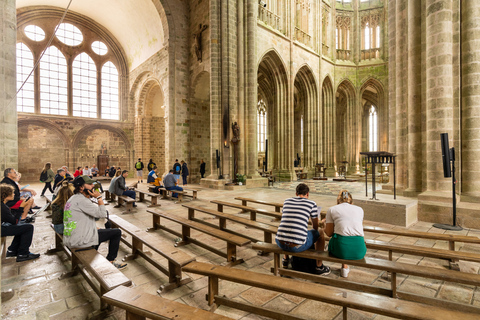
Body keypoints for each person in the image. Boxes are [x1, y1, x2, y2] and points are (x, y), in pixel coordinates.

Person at [63, 175, 126, 269]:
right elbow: (102, 214)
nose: (93, 185)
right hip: (80, 240)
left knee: (99, 232)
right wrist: (99, 198)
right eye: (89, 184)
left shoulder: (73, 198)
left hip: (71, 237)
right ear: (81, 187)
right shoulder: (82, 200)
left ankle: (92, 256)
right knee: (116, 232)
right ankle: (111, 260)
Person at [275, 183, 330, 275]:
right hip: (297, 246)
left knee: (288, 228)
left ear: (296, 194)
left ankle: (285, 260)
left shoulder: (287, 201)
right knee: (320, 232)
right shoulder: (312, 204)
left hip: (279, 242)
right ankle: (319, 266)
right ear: (307, 194)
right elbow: (315, 227)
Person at [324, 190, 367, 278]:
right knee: (344, 235)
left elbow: (328, 233)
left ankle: (343, 266)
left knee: (339, 238)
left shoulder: (332, 209)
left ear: (337, 201)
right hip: (359, 250)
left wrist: (324, 224)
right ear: (352, 202)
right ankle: (345, 267)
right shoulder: (360, 209)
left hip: (341, 250)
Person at [1, 183, 39, 262]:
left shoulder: (3, 205)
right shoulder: (2, 207)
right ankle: (23, 254)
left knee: (22, 227)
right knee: (28, 227)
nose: (14, 194)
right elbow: (15, 221)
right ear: (4, 196)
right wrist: (21, 207)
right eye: (12, 193)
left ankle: (12, 250)